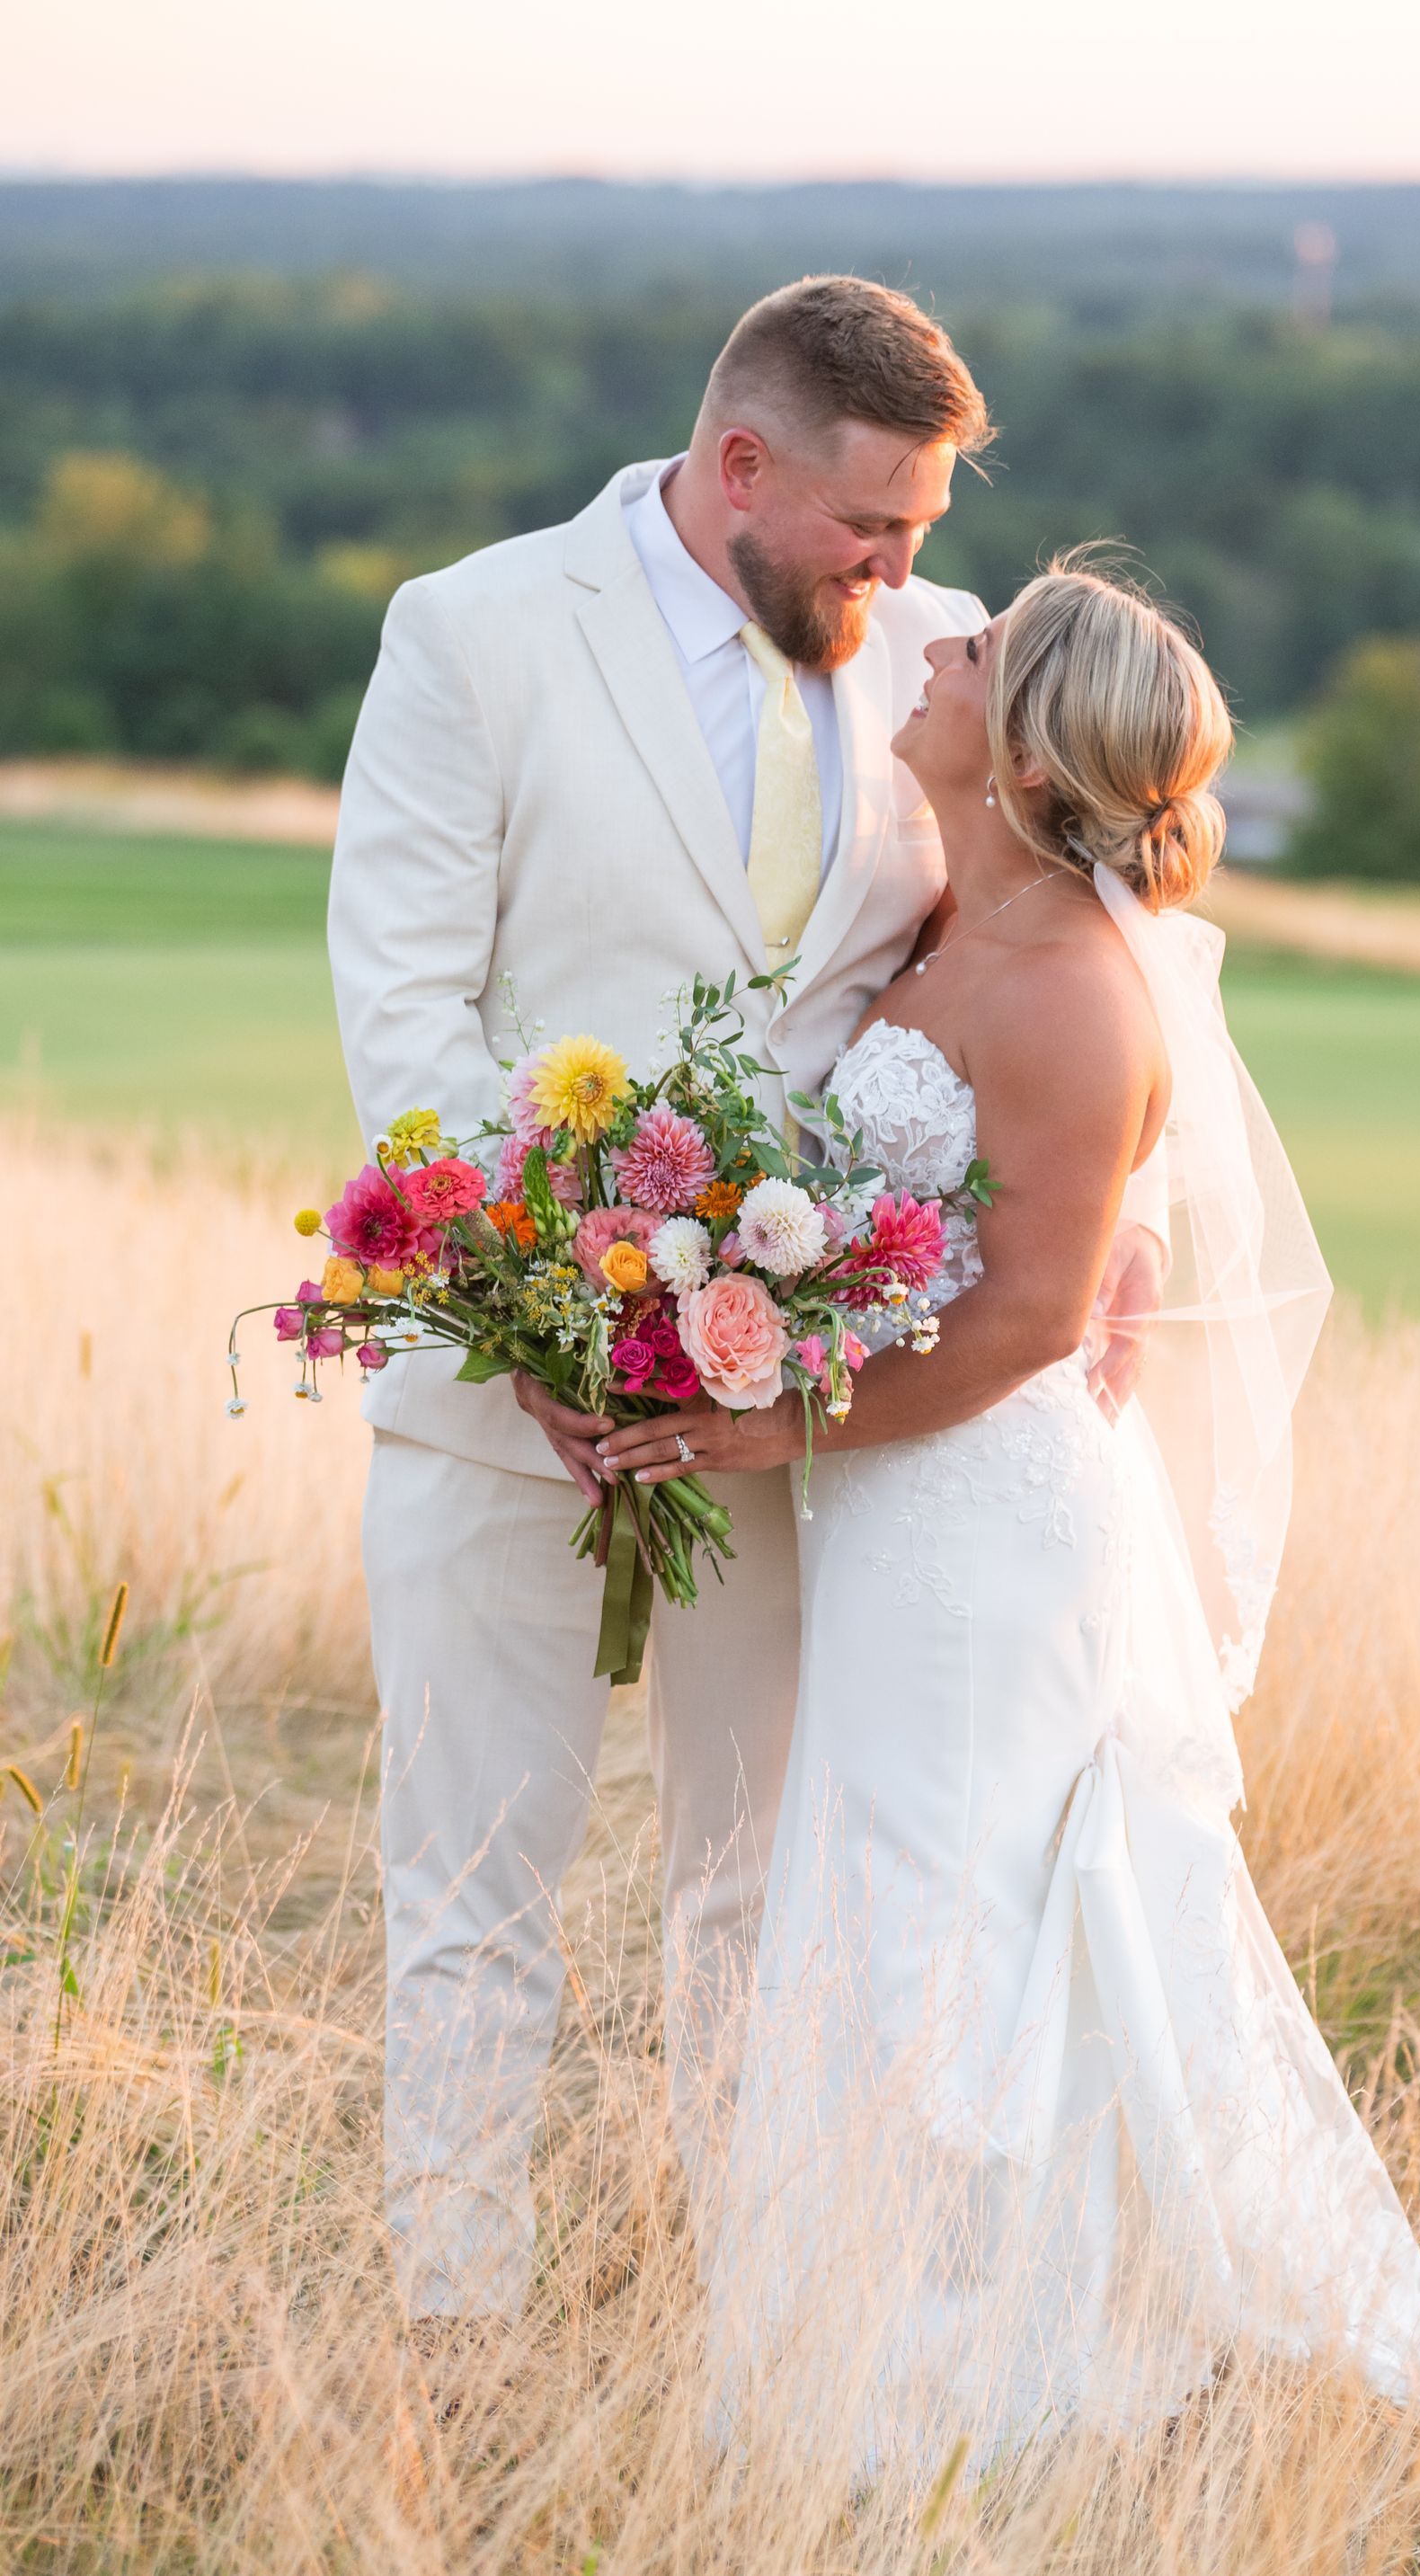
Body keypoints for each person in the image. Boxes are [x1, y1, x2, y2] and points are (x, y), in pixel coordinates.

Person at [593, 564, 1420, 2465]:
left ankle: (967, 2370)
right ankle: (887, 2316)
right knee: (892, 1890)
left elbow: (1033, 1320)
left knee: (939, 1912)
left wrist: (755, 1430)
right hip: (900, 1494)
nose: (935, 651)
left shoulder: (1069, 987)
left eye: (970, 652)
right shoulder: (952, 920)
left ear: (1031, 736)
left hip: (985, 1511)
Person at [328, 275, 998, 2323]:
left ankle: (751, 2317)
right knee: (470, 1880)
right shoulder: (478, 631)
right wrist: (553, 1315)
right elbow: (409, 1013)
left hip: (774, 1410)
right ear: (736, 467)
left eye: (924, 528)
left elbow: (945, 986)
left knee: (754, 1885)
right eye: (873, 525)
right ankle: (456, 2313)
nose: (906, 571)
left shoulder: (927, 677)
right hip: (499, 1391)